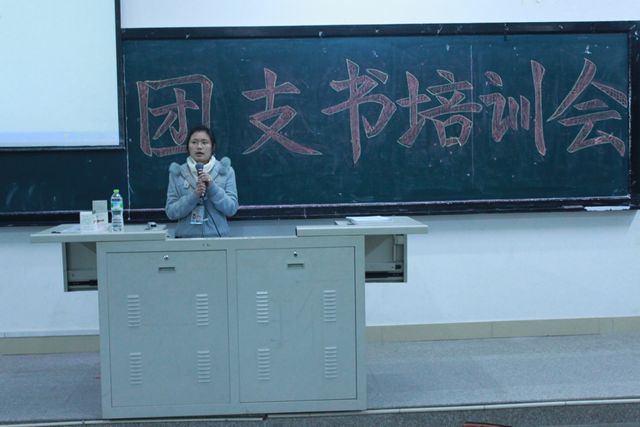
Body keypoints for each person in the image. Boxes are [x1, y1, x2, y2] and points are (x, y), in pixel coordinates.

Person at [165, 125, 238, 237]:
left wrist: (213, 188)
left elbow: (231, 209)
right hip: (185, 239)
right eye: (194, 142)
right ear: (188, 147)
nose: (199, 147)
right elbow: (171, 212)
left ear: (213, 147)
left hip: (218, 238)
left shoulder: (225, 171)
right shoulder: (177, 173)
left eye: (204, 142)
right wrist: (194, 196)